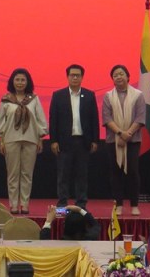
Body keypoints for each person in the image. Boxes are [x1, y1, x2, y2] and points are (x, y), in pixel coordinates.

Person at [0, 68, 48, 214]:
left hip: (31, 139)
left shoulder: (34, 99)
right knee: (13, 174)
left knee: (27, 174)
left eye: (23, 80)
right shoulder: (6, 99)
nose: (20, 82)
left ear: (27, 82)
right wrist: (1, 141)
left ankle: (24, 204)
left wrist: (40, 139)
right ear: (12, 81)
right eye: (17, 79)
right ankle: (13, 204)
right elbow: (1, 121)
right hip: (10, 139)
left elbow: (40, 119)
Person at [49, 64, 99, 210]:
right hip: (64, 141)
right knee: (63, 174)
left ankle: (81, 204)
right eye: (72, 75)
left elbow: (94, 119)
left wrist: (95, 140)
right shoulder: (58, 95)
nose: (75, 78)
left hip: (83, 141)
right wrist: (53, 140)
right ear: (68, 77)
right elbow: (53, 119)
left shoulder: (89, 95)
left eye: (78, 75)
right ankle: (62, 204)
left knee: (81, 174)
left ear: (82, 77)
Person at [102, 64, 146, 216]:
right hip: (113, 140)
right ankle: (118, 204)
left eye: (121, 74)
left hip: (133, 140)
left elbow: (140, 118)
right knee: (116, 172)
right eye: (115, 75)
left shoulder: (138, 95)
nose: (118, 77)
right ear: (112, 79)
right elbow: (107, 118)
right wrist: (121, 133)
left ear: (128, 77)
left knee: (132, 171)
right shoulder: (108, 96)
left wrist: (128, 134)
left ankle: (134, 204)